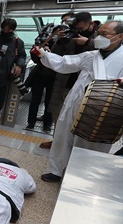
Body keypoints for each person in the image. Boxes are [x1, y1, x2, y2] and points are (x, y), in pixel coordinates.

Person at [34, 20, 123, 183]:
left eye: (105, 34)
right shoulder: (91, 56)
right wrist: (44, 55)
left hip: (104, 109)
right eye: (99, 33)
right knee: (63, 136)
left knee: (93, 144)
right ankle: (57, 170)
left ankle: (83, 176)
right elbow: (64, 63)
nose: (99, 37)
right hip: (76, 102)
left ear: (120, 36)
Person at [40, 11, 97, 149]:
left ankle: (73, 146)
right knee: (57, 113)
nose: (78, 30)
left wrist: (88, 42)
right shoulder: (70, 33)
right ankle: (57, 142)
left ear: (91, 24)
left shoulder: (99, 37)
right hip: (64, 81)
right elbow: (57, 56)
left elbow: (106, 53)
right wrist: (59, 41)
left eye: (81, 28)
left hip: (86, 86)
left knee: (78, 117)